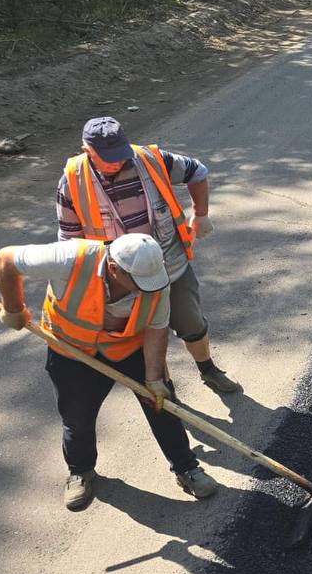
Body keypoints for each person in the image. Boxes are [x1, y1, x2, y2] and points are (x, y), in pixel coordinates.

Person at [0, 233, 220, 511]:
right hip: (70, 350)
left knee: (162, 404)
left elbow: (156, 328)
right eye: (138, 284)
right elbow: (6, 258)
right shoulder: (69, 258)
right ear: (114, 269)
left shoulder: (155, 280)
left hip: (128, 347)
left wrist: (153, 378)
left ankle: (187, 468)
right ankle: (81, 471)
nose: (146, 290)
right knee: (77, 418)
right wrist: (13, 308)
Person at [57, 117, 239, 394]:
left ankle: (208, 369)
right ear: (87, 151)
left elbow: (198, 172)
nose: (118, 162)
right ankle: (165, 391)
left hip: (169, 267)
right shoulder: (72, 182)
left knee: (191, 322)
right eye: (108, 159)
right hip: (119, 280)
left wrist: (200, 215)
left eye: (121, 155)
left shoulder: (153, 160)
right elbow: (69, 242)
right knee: (143, 338)